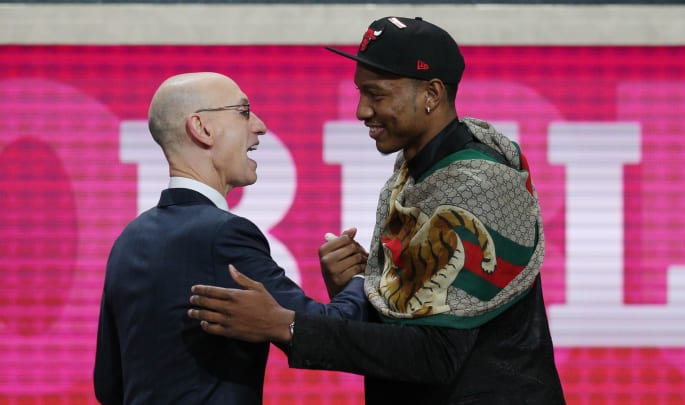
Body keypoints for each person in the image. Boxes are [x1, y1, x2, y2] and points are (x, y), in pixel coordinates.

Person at [188, 16, 566, 404]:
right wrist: (369, 284)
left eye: (377, 94)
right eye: (360, 92)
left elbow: (436, 354)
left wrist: (288, 326)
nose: (361, 110)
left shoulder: (476, 186)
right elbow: (418, 310)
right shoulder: (421, 167)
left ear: (431, 94)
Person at [93, 72, 368, 405]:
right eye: (243, 111)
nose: (260, 126)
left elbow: (108, 385)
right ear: (202, 128)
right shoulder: (224, 235)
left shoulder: (128, 240)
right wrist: (362, 278)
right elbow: (332, 332)